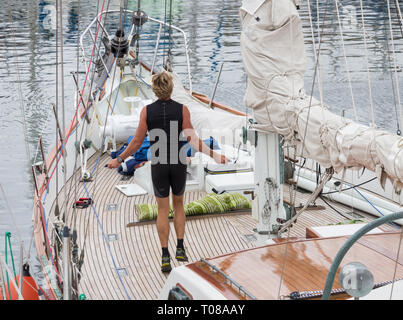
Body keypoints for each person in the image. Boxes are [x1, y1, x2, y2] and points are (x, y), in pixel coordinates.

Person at [107, 71, 227, 272]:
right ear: (171, 89)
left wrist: (118, 159)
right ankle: (180, 247)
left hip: (160, 164)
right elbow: (193, 140)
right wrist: (215, 156)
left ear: (154, 90)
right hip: (178, 162)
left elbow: (137, 142)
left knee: (162, 210)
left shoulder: (147, 112)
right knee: (178, 205)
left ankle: (165, 256)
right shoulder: (182, 110)